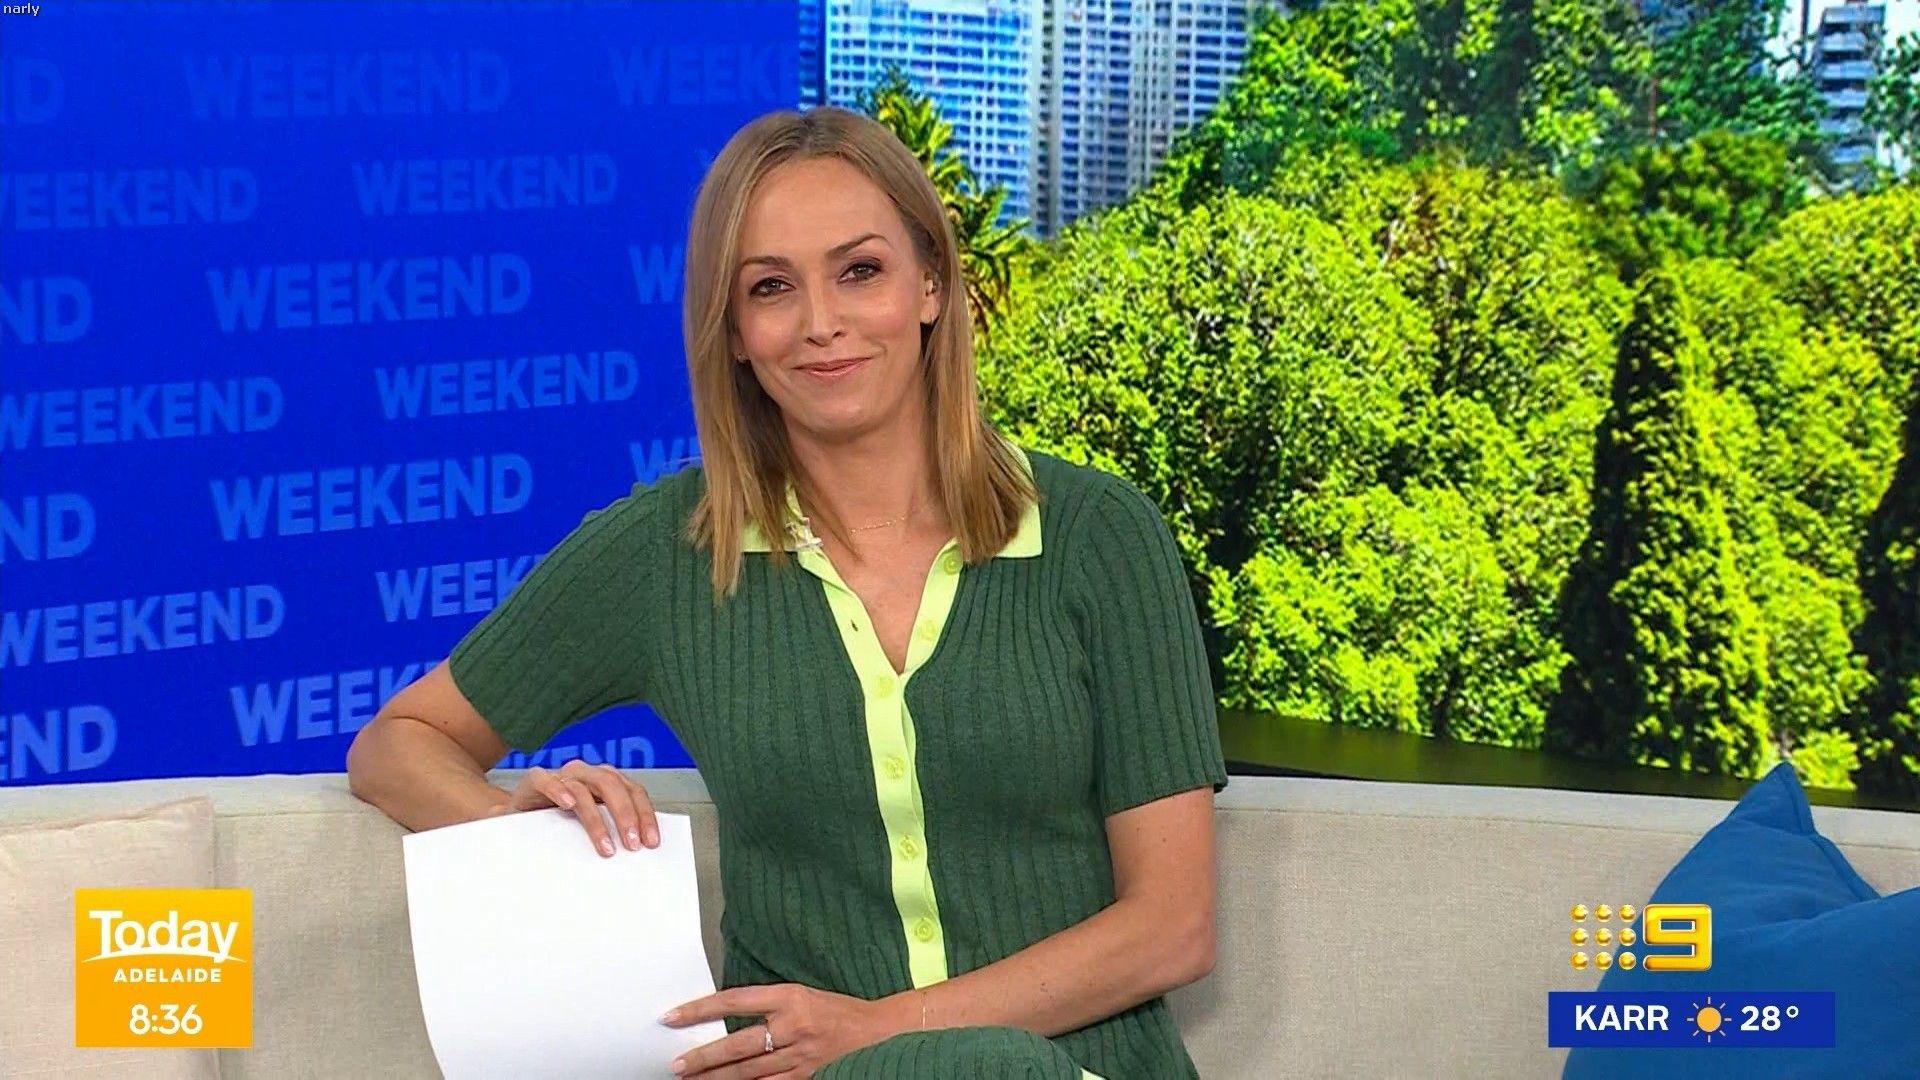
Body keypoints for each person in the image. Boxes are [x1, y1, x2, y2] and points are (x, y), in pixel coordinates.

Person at [346, 105, 1229, 1079]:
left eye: (861, 271)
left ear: (931, 284)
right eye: (771, 287)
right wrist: (517, 827)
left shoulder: (1099, 535)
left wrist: (879, 1030)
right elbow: (397, 743)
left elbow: (1173, 927)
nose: (820, 323)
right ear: (732, 331)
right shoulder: (671, 553)